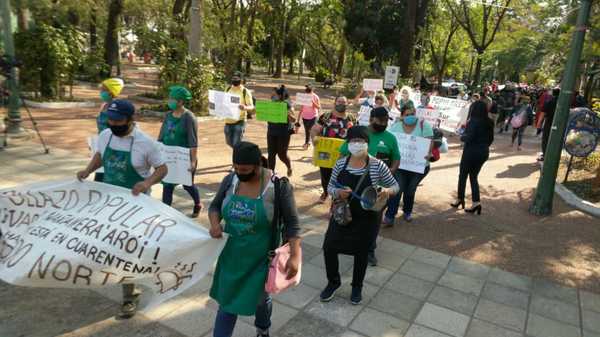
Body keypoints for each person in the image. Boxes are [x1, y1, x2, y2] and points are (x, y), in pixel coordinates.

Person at [76, 99, 168, 319]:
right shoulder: (106, 135)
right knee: (109, 245)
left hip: (136, 205)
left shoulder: (146, 143)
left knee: (127, 249)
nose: (113, 123)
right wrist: (87, 170)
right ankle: (119, 275)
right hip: (110, 201)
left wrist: (147, 183)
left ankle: (130, 295)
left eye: (118, 120)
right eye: (110, 119)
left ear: (130, 119)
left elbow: (162, 169)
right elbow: (100, 156)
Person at [208, 141, 301, 337]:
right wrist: (215, 224)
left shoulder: (277, 186)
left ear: (258, 164)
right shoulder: (230, 180)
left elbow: (293, 223)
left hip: (261, 259)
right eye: (236, 169)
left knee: (260, 299)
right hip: (231, 256)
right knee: (227, 304)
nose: (240, 173)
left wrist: (295, 256)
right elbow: (215, 206)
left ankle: (263, 328)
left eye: (245, 170)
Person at [320, 126, 398, 305]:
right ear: (348, 143)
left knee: (361, 253)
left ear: (367, 144)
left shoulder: (377, 165)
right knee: (329, 246)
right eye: (353, 141)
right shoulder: (341, 163)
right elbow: (330, 186)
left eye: (361, 141)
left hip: (367, 217)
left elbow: (395, 186)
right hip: (342, 214)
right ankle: (333, 282)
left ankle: (357, 287)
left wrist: (386, 191)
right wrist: (338, 192)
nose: (357, 144)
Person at [338, 107, 399, 266]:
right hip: (354, 186)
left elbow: (396, 159)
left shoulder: (391, 138)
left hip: (377, 190)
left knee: (374, 220)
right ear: (372, 119)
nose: (384, 123)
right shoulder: (359, 135)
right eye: (381, 120)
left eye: (386, 120)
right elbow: (342, 154)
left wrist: (388, 172)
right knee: (352, 215)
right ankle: (350, 242)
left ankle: (369, 250)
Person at [158, 86, 202, 217]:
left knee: (187, 185)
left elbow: (193, 142)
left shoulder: (189, 118)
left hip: (184, 158)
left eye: (173, 99)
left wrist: (193, 162)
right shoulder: (168, 116)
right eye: (170, 98)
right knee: (167, 185)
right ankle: (165, 214)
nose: (170, 101)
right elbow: (161, 136)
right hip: (169, 157)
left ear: (181, 102)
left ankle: (198, 203)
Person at [386, 105, 434, 224]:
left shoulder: (424, 125)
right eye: (407, 115)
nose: (410, 117)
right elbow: (390, 143)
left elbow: (430, 141)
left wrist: (428, 153)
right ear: (402, 116)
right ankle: (390, 216)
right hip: (400, 166)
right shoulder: (395, 127)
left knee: (410, 190)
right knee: (398, 188)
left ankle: (407, 211)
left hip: (419, 166)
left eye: (413, 114)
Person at [451, 101, 494, 214]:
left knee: (463, 175)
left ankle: (460, 199)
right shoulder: (489, 122)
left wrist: (461, 136)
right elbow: (491, 139)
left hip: (471, 151)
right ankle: (476, 202)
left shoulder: (473, 121)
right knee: (473, 176)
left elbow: (468, 137)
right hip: (484, 152)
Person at [311, 96, 356, 203]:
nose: (341, 104)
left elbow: (356, 133)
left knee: (342, 176)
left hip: (344, 154)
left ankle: (337, 198)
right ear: (334, 103)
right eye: (339, 101)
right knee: (325, 175)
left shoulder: (352, 118)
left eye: (344, 102)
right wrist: (314, 138)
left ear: (347, 104)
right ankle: (326, 192)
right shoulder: (325, 116)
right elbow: (314, 130)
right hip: (326, 152)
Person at [95, 78, 125, 182]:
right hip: (101, 144)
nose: (101, 92)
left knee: (107, 176)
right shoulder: (103, 105)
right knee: (99, 174)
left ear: (111, 92)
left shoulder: (117, 108)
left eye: (104, 90)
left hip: (113, 147)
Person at [267, 85, 295, 176]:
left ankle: (289, 167)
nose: (272, 96)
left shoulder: (287, 104)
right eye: (271, 94)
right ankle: (271, 175)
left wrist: (287, 113)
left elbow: (293, 119)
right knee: (271, 155)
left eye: (274, 95)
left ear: (280, 95)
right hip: (271, 131)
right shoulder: (270, 103)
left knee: (282, 154)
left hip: (283, 133)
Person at [225, 71, 254, 148]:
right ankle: (244, 146)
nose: (234, 80)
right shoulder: (228, 89)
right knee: (229, 142)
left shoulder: (245, 91)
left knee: (236, 144)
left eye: (236, 78)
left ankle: (237, 158)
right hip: (228, 120)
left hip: (240, 121)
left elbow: (251, 106)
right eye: (233, 78)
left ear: (241, 80)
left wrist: (245, 107)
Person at [296, 84, 321, 150]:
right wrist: (298, 118)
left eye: (309, 93)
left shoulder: (316, 97)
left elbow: (318, 107)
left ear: (312, 91)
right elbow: (301, 108)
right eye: (306, 93)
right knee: (307, 130)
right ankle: (308, 142)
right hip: (304, 116)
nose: (307, 94)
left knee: (309, 130)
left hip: (313, 116)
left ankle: (306, 143)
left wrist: (313, 103)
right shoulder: (304, 97)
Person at [540, 88, 560, 161]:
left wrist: (539, 123)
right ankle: (553, 155)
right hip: (559, 124)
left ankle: (545, 155)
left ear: (553, 93)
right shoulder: (563, 102)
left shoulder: (549, 101)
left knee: (546, 138)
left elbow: (543, 113)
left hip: (549, 122)